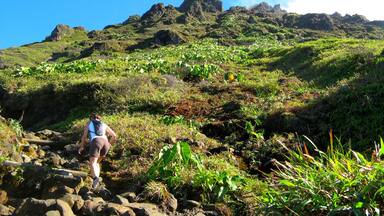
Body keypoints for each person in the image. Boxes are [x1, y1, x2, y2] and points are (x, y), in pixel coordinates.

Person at [78, 113, 117, 189]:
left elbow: (84, 136)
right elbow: (114, 136)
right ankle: (97, 181)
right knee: (97, 162)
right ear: (99, 118)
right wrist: (109, 145)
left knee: (92, 162)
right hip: (105, 142)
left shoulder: (89, 123)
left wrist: (82, 146)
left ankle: (95, 178)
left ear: (91, 118)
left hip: (96, 141)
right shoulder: (104, 124)